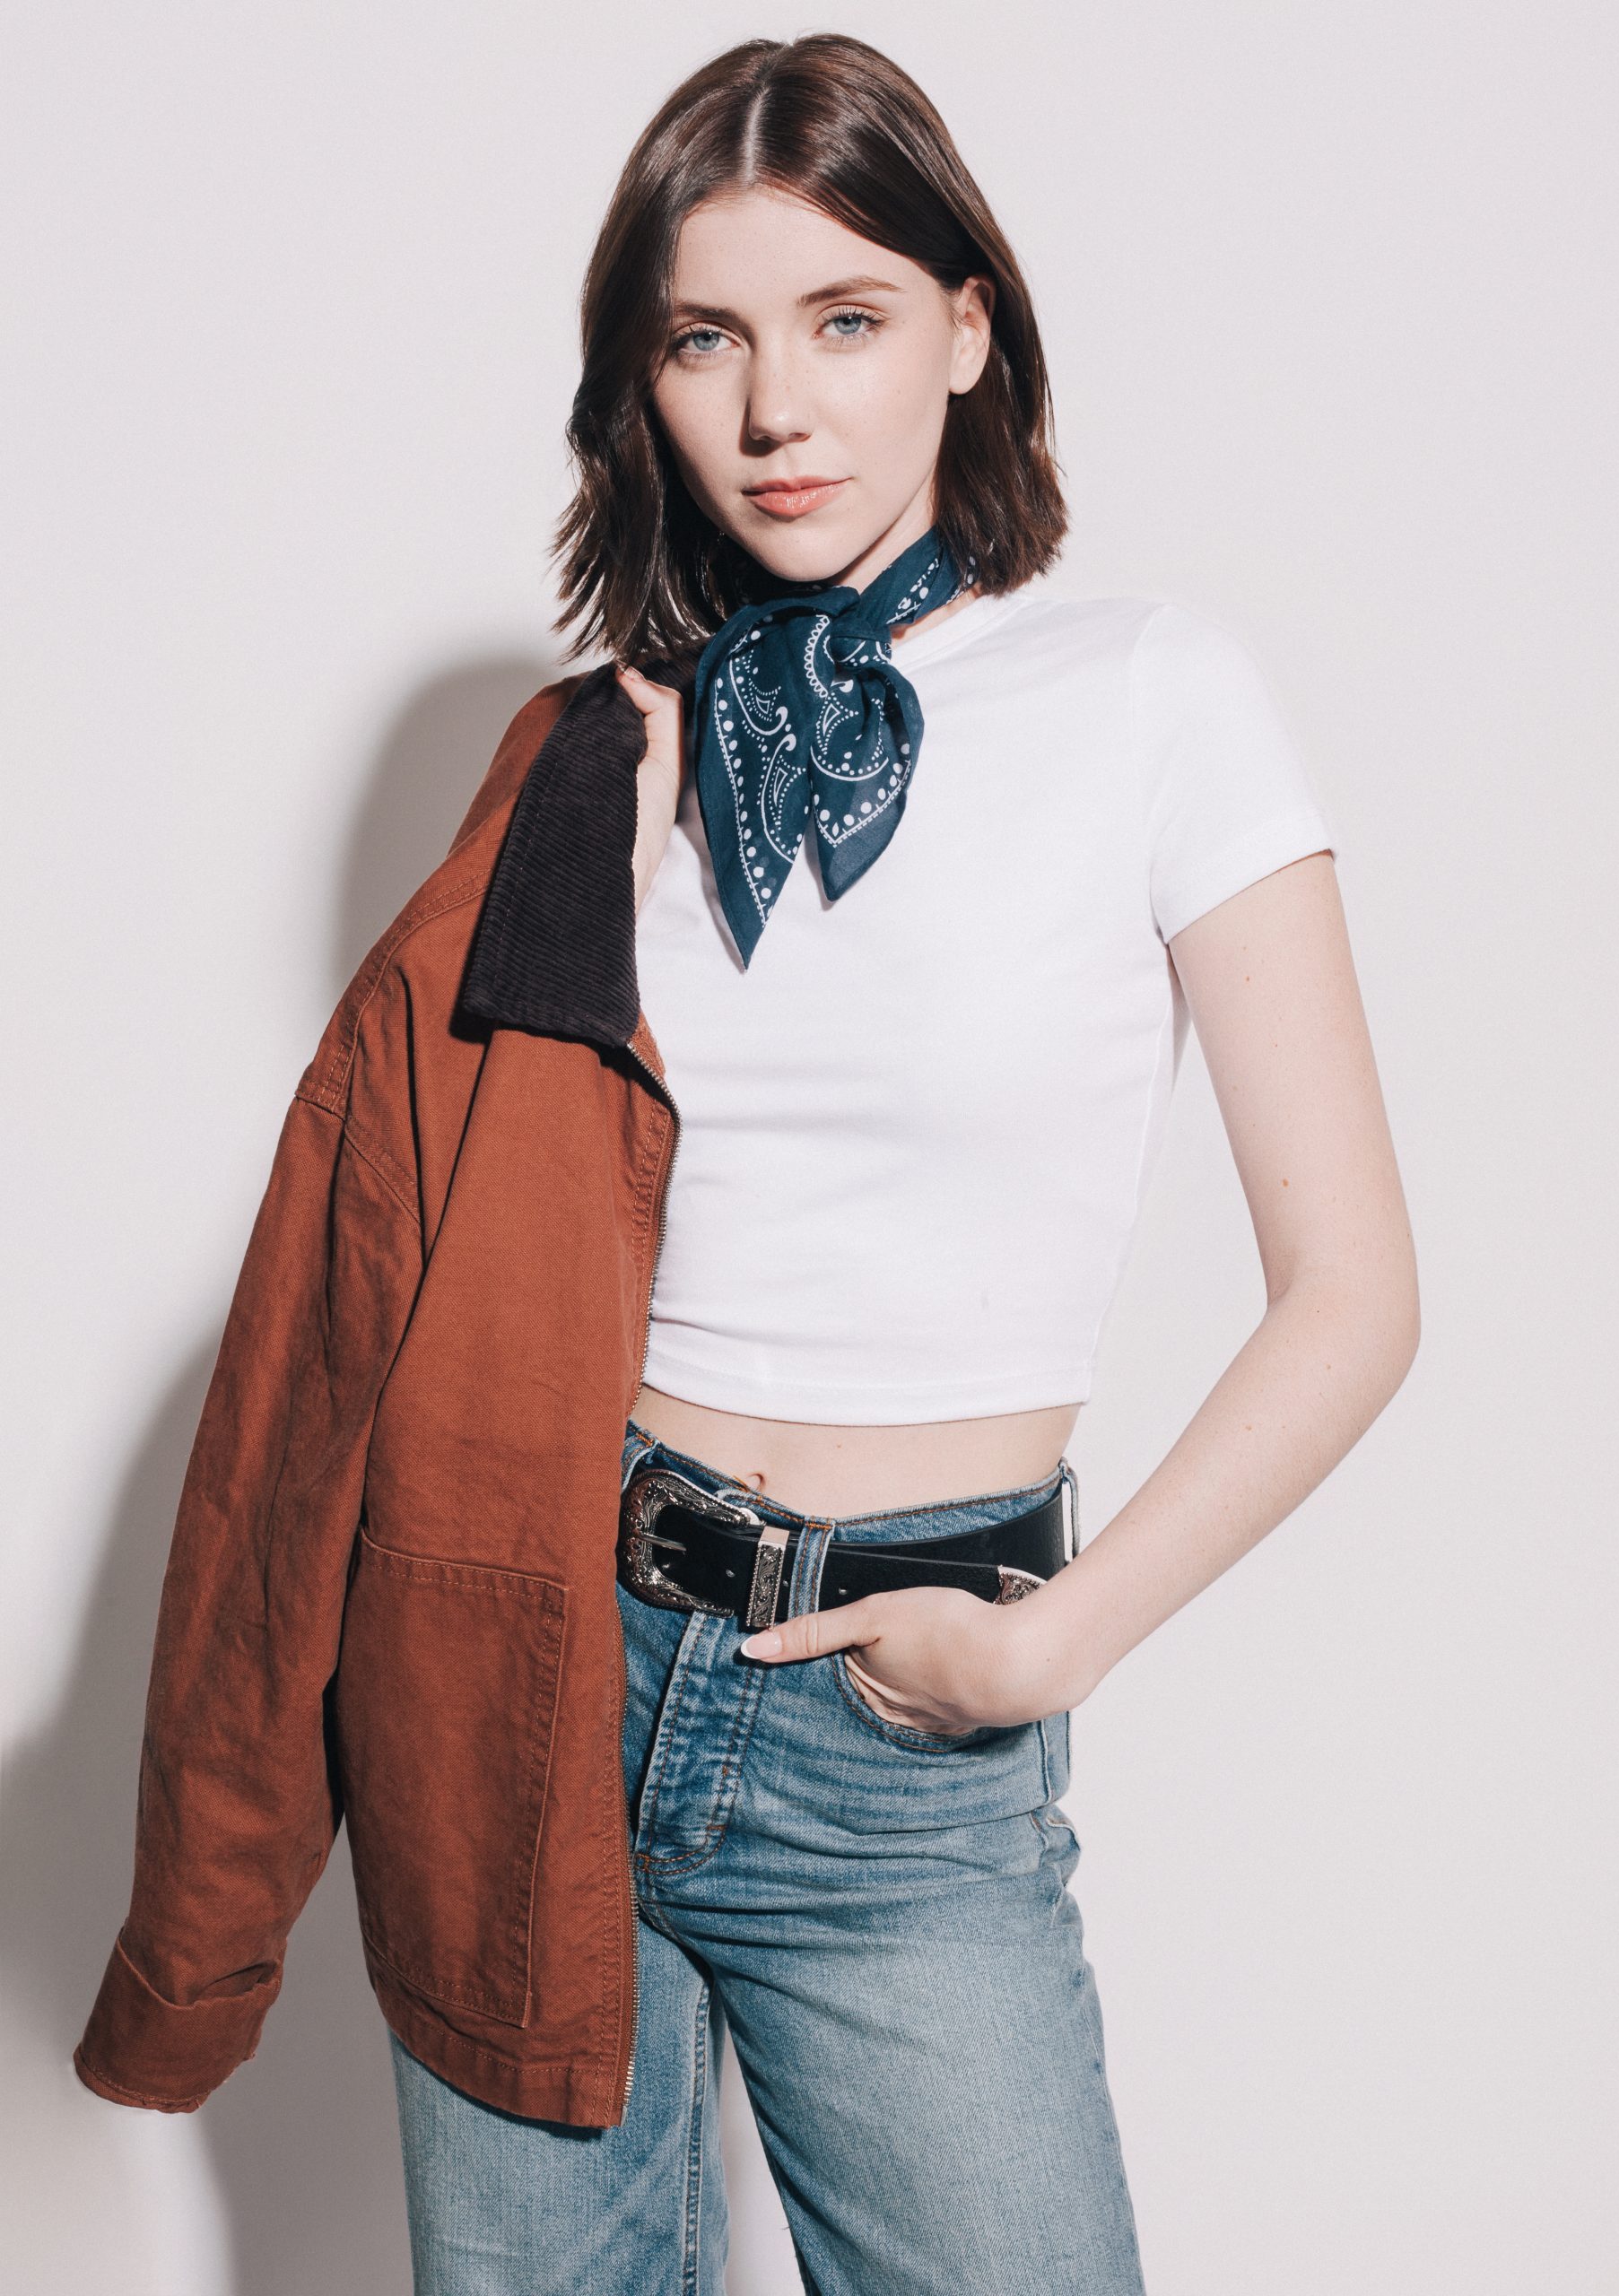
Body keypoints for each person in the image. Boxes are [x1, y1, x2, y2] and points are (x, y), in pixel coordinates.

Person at [74, 31, 1420, 2296]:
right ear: (645, 379)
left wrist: (1049, 1643)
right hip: (533, 1668)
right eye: (707, 338)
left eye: (845, 319)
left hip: (902, 1722)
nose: (778, 406)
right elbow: (379, 1268)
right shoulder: (592, 760)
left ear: (969, 329)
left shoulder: (1151, 699)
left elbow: (1357, 1291)